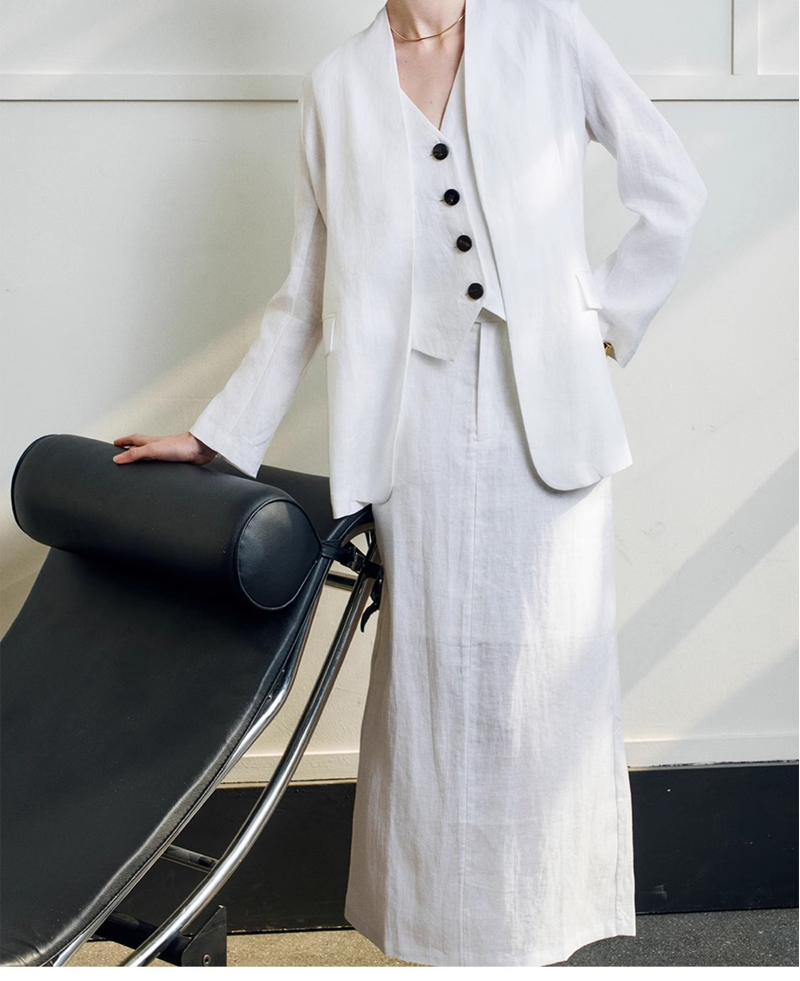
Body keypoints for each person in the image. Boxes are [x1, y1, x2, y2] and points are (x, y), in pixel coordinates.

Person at [113, 0, 707, 966]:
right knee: (431, 693)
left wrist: (599, 328)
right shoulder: (336, 86)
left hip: (544, 419)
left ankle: (540, 932)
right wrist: (218, 437)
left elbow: (673, 185)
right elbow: (305, 293)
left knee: (547, 680)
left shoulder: (545, 30)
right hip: (413, 430)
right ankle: (439, 940)